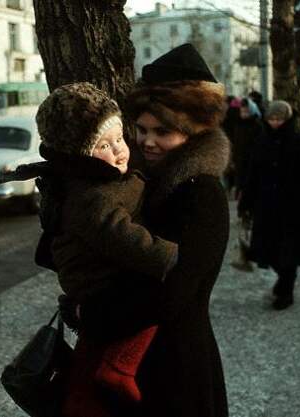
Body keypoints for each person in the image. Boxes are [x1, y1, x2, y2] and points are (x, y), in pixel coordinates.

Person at [59, 43, 231, 417]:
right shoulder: (137, 182)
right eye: (141, 129)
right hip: (127, 362)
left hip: (175, 368)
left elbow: (176, 289)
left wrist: (96, 312)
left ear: (192, 133)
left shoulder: (202, 193)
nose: (148, 141)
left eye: (163, 131)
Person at [32, 82, 179, 414]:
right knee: (157, 297)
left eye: (119, 139)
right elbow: (122, 236)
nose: (119, 150)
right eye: (103, 145)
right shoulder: (89, 198)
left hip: (103, 279)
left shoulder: (101, 180)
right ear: (79, 155)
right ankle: (120, 366)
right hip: (99, 283)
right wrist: (167, 254)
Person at [239, 100, 300, 310]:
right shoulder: (262, 142)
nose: (275, 123)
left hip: (295, 208)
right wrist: (245, 203)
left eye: (279, 119)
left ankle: (286, 291)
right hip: (267, 206)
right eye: (271, 118)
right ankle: (283, 281)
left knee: (289, 252)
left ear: (287, 119)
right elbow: (253, 175)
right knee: (268, 251)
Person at [232, 97, 264, 271]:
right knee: (241, 192)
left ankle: (248, 216)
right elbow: (236, 146)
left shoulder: (257, 126)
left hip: (252, 168)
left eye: (246, 111)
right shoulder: (238, 126)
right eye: (241, 111)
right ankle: (244, 215)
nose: (243, 114)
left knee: (248, 194)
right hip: (240, 167)